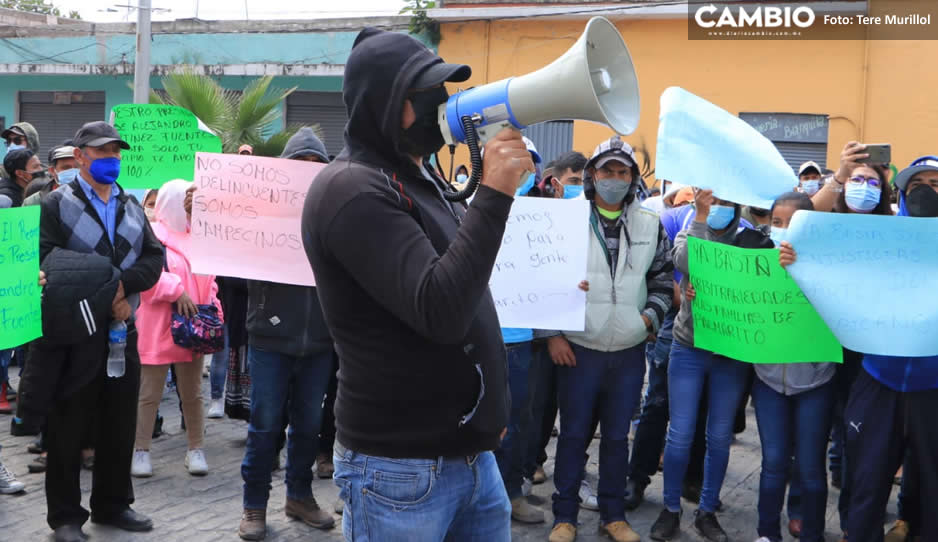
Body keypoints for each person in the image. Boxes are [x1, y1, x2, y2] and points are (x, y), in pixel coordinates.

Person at [302, 26, 532, 542]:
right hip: (399, 470)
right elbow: (440, 310)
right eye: (424, 93)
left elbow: (466, 289)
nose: (440, 104)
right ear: (383, 104)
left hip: (468, 457)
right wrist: (492, 195)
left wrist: (487, 412)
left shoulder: (418, 179)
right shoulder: (351, 190)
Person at [31, 121, 162, 542]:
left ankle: (113, 504)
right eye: (102, 152)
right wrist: (106, 291)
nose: (112, 160)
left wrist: (124, 288)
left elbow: (154, 258)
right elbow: (48, 258)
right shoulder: (56, 204)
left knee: (119, 421)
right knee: (68, 425)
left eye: (116, 152)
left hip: (124, 329)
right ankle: (66, 517)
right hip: (75, 331)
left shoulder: (132, 205)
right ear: (81, 155)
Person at [546, 136, 673, 542]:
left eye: (623, 172)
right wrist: (553, 334)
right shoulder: (564, 218)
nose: (615, 179)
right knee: (573, 436)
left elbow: (663, 280)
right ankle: (564, 517)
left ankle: (613, 515)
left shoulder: (649, 224)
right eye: (607, 171)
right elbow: (542, 278)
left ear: (633, 178)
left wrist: (649, 320)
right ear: (591, 176)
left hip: (629, 349)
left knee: (618, 438)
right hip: (579, 347)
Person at [651, 189, 773, 542]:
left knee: (719, 436)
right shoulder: (689, 231)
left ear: (737, 207)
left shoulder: (751, 241)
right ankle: (670, 509)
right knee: (680, 433)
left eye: (724, 203)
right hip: (689, 349)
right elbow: (686, 262)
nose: (717, 208)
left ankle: (707, 509)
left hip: (731, 354)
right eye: (710, 201)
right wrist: (701, 218)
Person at [237, 127, 336, 541]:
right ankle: (254, 506)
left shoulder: (337, 214)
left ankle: (299, 496)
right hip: (270, 339)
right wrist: (204, 212)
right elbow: (229, 254)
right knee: (264, 425)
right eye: (301, 164)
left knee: (309, 425)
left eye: (318, 165)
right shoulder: (262, 215)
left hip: (319, 342)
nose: (310, 171)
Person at [748, 191, 837, 542]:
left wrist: (802, 271)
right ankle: (767, 533)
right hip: (768, 381)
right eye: (777, 223)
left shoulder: (827, 266)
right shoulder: (755, 262)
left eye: (793, 224)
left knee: (812, 469)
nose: (782, 230)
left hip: (816, 382)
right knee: (773, 465)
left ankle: (811, 533)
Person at [131, 179, 222, 478]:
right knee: (148, 393)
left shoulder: (202, 238)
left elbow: (211, 280)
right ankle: (140, 450)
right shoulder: (151, 236)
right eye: (185, 200)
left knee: (193, 393)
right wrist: (175, 290)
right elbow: (144, 276)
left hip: (193, 327)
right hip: (158, 326)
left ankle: (195, 448)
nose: (190, 206)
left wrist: (214, 306)